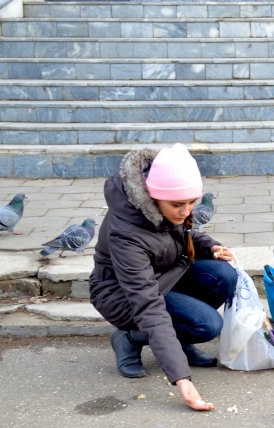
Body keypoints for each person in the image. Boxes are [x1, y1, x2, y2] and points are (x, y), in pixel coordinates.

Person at [89, 143, 237, 411]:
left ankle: (180, 341)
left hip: (165, 276)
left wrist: (210, 247)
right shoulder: (126, 232)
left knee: (223, 275)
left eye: (192, 202)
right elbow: (147, 304)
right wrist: (181, 377)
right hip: (122, 295)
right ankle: (128, 337)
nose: (187, 211)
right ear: (152, 196)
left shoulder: (164, 205)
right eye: (178, 204)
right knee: (208, 325)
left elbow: (182, 232)